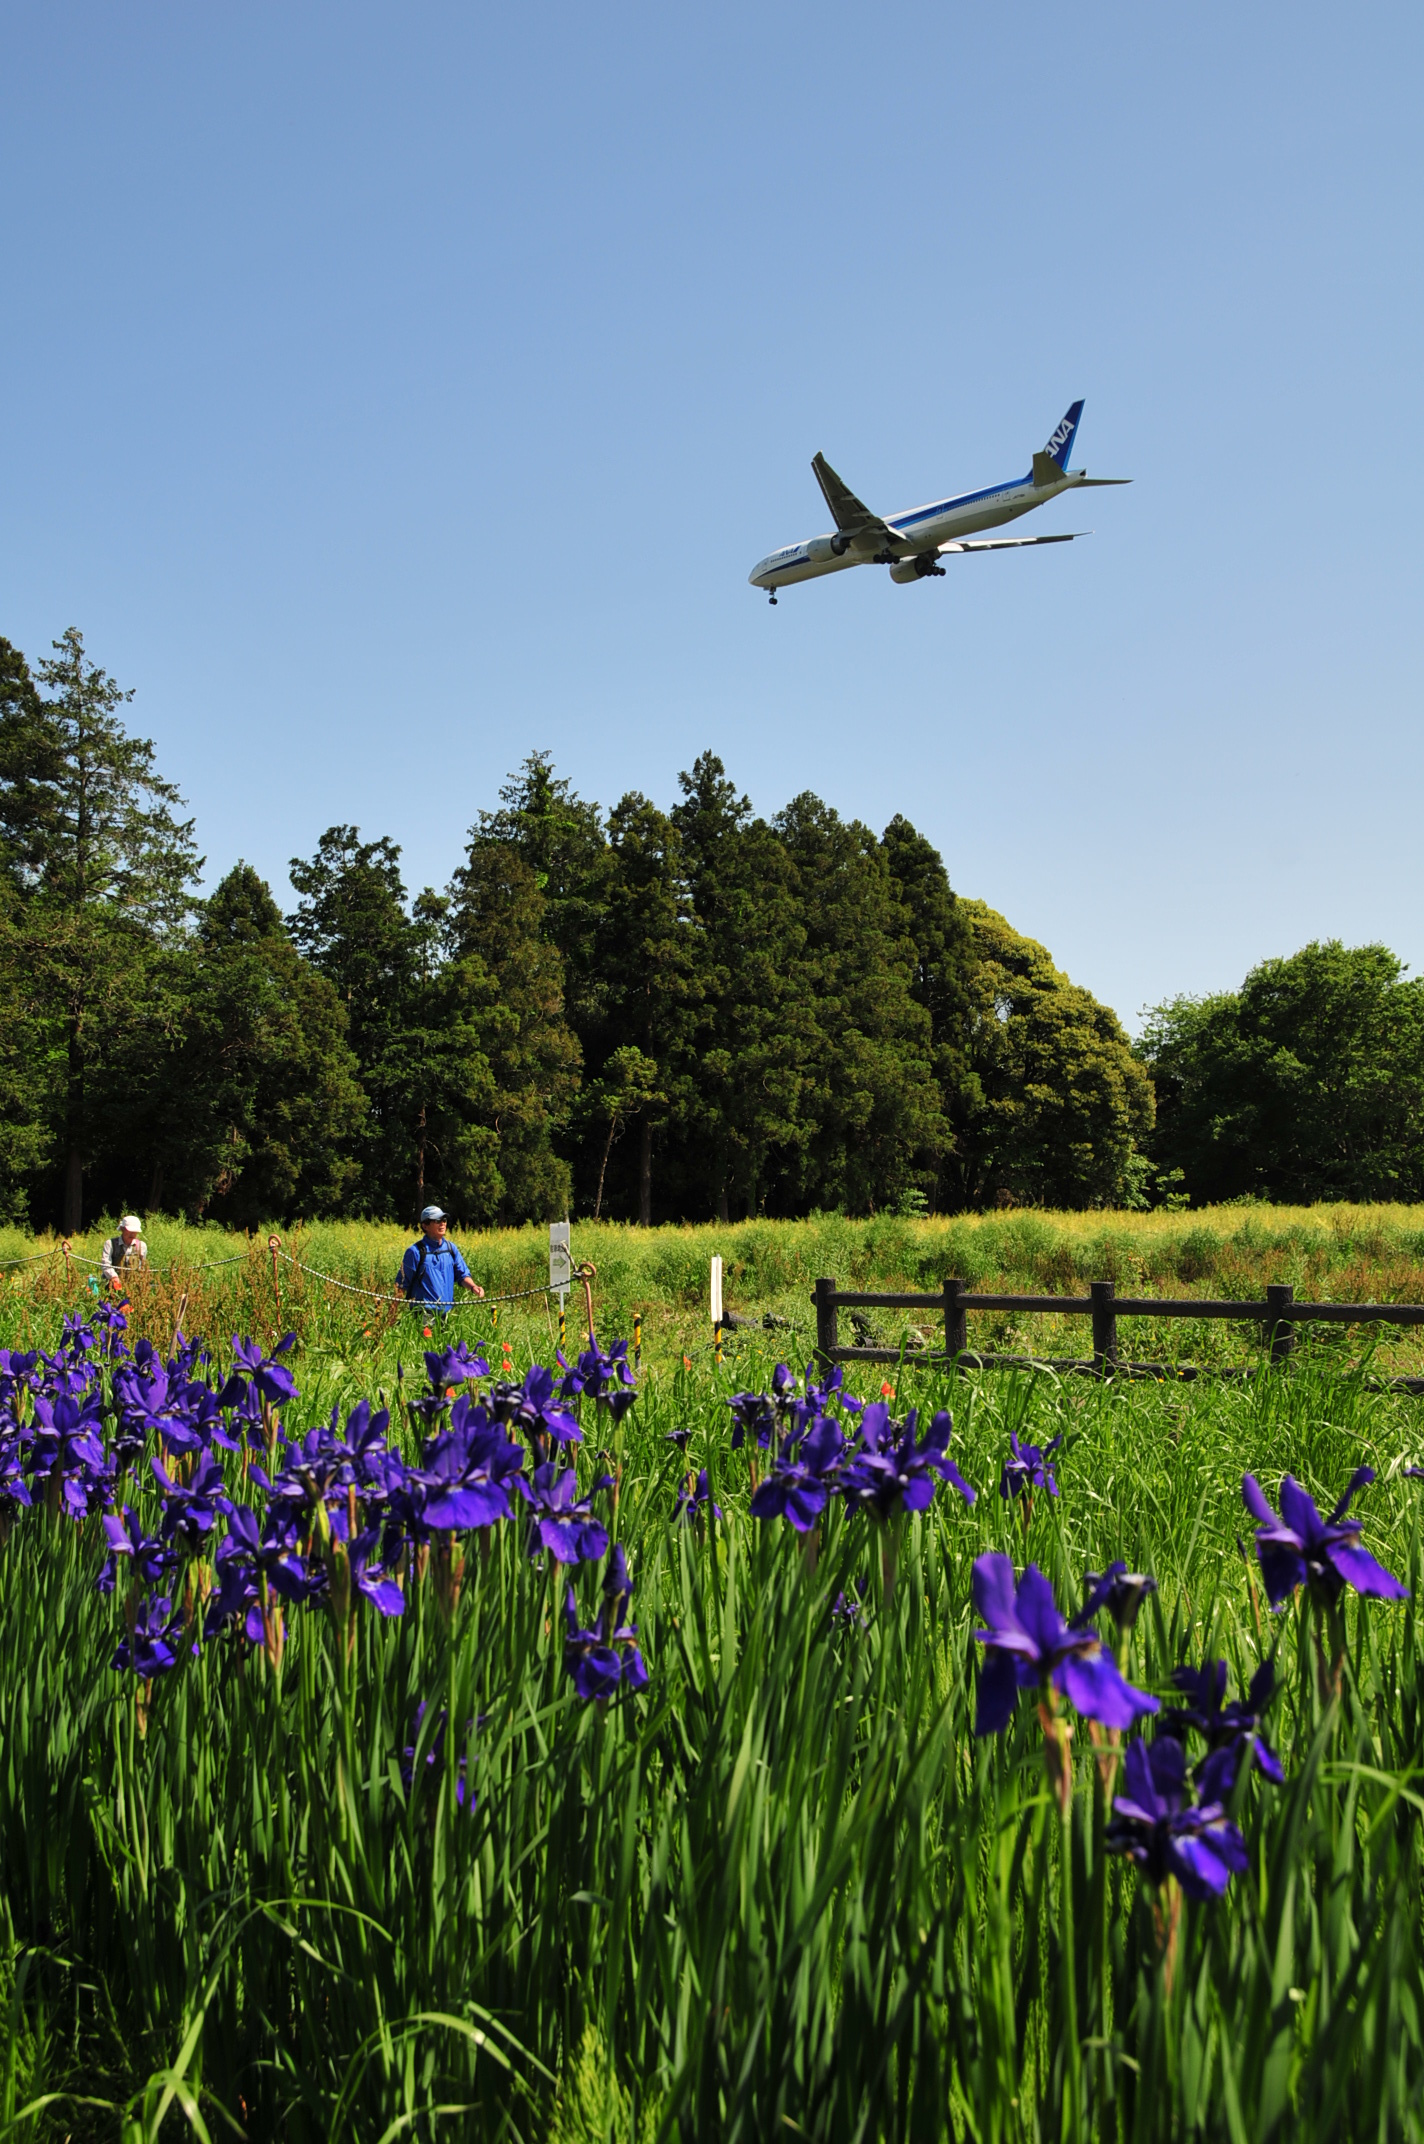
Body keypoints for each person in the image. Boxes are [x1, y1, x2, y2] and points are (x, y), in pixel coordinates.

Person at [399, 1206, 485, 1310]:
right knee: (426, 1327)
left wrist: (473, 1287)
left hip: (447, 1314)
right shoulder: (415, 1252)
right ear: (425, 1226)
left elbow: (462, 1275)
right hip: (424, 1315)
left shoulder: (450, 1249)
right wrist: (391, 1316)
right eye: (437, 1220)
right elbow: (401, 1285)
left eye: (444, 1220)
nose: (442, 1223)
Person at [100, 1215, 148, 1289]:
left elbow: (142, 1267)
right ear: (122, 1229)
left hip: (133, 1287)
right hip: (112, 1286)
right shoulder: (110, 1244)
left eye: (135, 1231)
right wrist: (114, 1277)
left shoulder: (142, 1246)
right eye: (130, 1231)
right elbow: (105, 1264)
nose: (132, 1234)